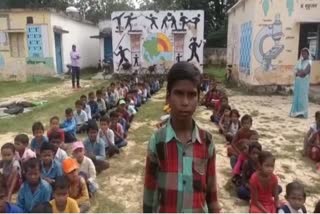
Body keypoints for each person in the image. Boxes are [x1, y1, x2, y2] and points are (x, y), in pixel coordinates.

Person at [143, 62, 220, 213]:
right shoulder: (157, 142)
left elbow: (212, 193)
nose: (185, 102)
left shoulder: (207, 141)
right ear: (168, 97)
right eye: (178, 93)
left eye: (191, 95)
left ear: (198, 98)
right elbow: (149, 194)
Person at [290, 48, 312, 118]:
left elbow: (304, 73)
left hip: (304, 83)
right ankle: (296, 112)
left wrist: (299, 72)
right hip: (298, 83)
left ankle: (302, 113)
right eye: (302, 53)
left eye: (305, 53)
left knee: (302, 97)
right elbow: (295, 72)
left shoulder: (309, 62)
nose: (303, 55)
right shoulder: (300, 61)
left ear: (308, 54)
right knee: (297, 97)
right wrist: (299, 72)